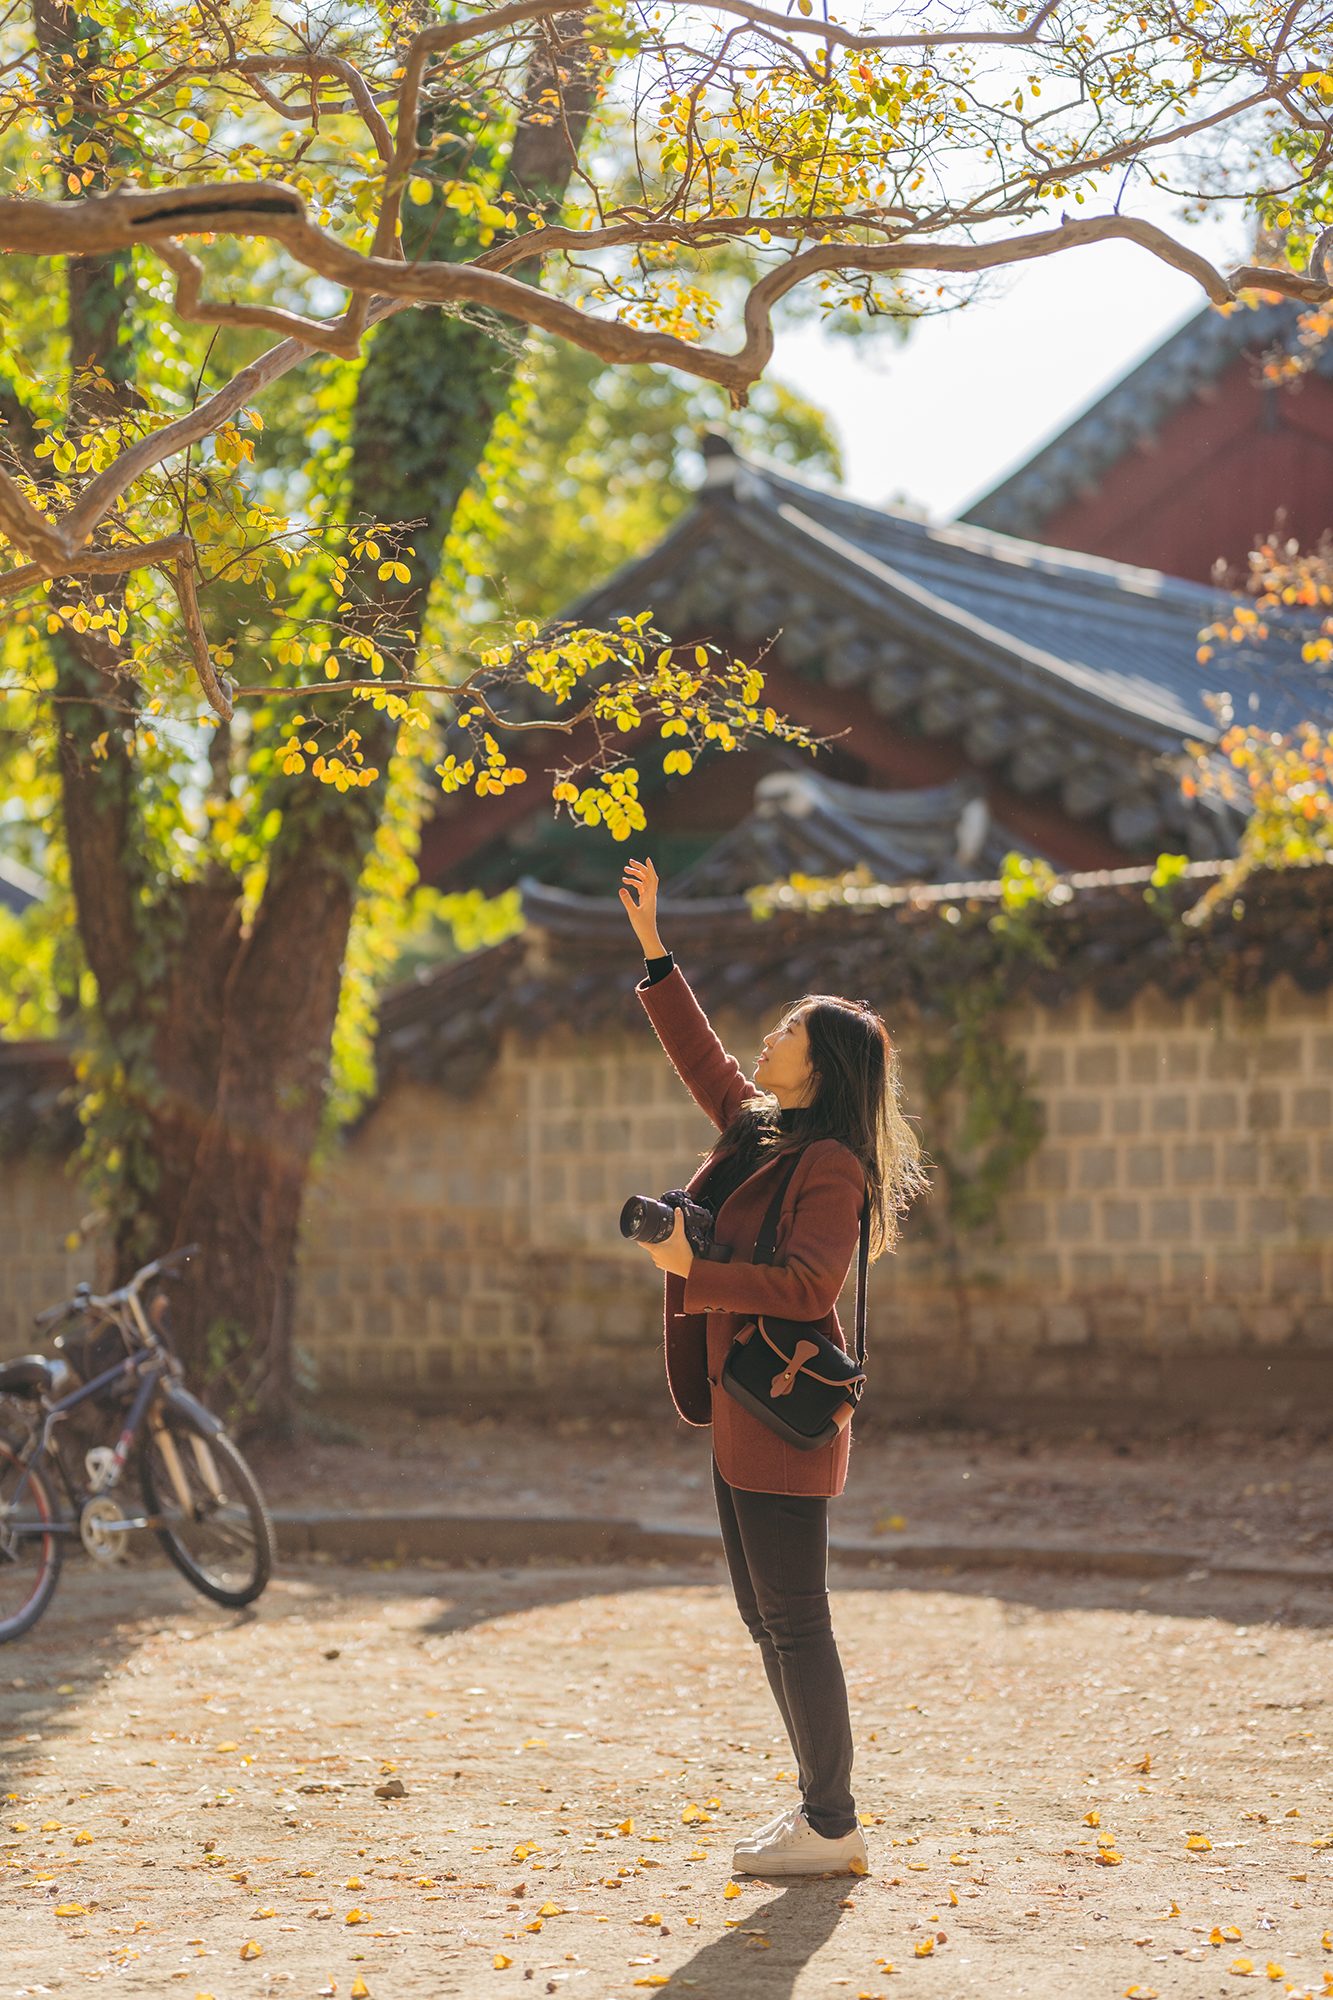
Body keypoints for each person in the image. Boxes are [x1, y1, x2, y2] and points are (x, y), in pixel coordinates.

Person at [619, 855, 926, 1878]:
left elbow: (804, 1285)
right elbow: (705, 1061)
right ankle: (816, 1810)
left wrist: (692, 1264)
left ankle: (833, 1825)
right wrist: (655, 949)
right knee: (767, 1616)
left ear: (822, 1061)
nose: (773, 1033)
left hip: (783, 1410)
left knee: (796, 1619)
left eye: (792, 1027)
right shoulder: (762, 1130)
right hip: (738, 1404)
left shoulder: (831, 1164)